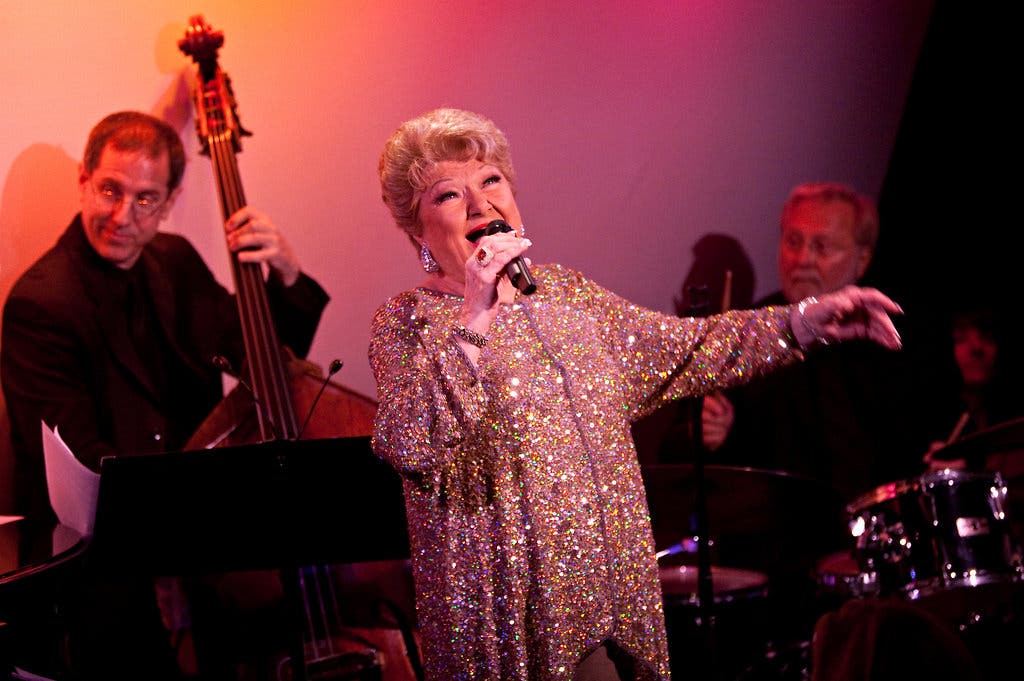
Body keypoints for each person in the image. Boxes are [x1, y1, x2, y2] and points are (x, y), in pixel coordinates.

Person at [367, 109, 904, 681]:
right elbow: (411, 444)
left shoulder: (570, 297)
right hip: (511, 627)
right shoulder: (408, 323)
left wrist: (802, 324)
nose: (481, 205)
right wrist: (477, 312)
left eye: (491, 180)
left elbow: (692, 347)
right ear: (418, 232)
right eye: (449, 194)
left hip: (618, 612)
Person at [1, 111, 329, 679]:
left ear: (172, 199)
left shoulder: (174, 262)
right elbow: (79, 466)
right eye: (110, 189)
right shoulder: (40, 303)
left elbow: (265, 361)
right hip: (102, 562)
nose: (123, 216)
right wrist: (190, 518)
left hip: (196, 541)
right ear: (84, 179)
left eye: (146, 199)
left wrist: (287, 271)